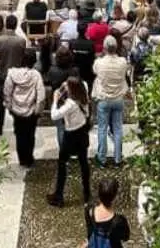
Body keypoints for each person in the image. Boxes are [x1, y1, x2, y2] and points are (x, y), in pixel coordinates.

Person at [47, 75, 92, 208]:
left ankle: (59, 195)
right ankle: (87, 193)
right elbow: (83, 82)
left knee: (62, 164)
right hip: (82, 132)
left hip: (70, 135)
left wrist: (55, 100)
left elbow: (54, 115)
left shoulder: (70, 104)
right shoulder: (84, 95)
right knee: (83, 163)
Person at [92, 36, 129, 168]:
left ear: (104, 48)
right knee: (118, 129)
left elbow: (95, 71)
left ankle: (101, 158)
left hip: (104, 98)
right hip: (118, 98)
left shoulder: (99, 62)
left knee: (102, 129)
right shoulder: (123, 62)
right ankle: (118, 159)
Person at [5, 50, 45, 167]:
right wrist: (38, 109)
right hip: (31, 110)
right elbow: (41, 95)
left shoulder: (12, 74)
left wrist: (9, 106)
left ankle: (22, 159)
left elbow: (7, 92)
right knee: (30, 135)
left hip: (16, 109)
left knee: (19, 134)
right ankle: (29, 158)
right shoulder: (36, 75)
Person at [0, 15, 27, 136]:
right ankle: (18, 127)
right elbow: (23, 58)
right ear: (16, 25)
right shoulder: (21, 41)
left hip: (2, 74)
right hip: (16, 74)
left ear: (6, 24)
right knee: (17, 101)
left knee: (2, 103)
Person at [85, 177, 132, 248]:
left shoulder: (89, 211)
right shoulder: (119, 220)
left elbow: (90, 233)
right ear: (115, 196)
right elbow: (125, 237)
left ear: (99, 193)